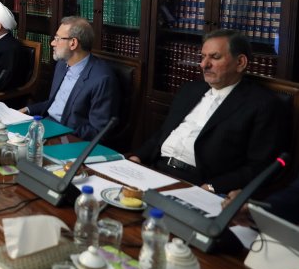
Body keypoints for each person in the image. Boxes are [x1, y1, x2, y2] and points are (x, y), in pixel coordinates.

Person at [130, 29, 288, 194]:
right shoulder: (190, 90)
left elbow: (259, 166)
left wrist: (214, 186)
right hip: (155, 169)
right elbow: (163, 132)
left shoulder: (262, 104)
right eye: (203, 56)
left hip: (199, 184)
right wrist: (137, 157)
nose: (203, 64)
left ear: (240, 62)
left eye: (215, 57)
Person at [22, 16, 119, 140]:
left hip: (69, 137)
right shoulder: (62, 65)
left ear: (73, 43)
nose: (52, 43)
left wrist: (61, 132)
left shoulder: (102, 79)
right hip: (46, 126)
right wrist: (27, 109)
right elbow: (55, 103)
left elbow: (98, 131)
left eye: (57, 39)